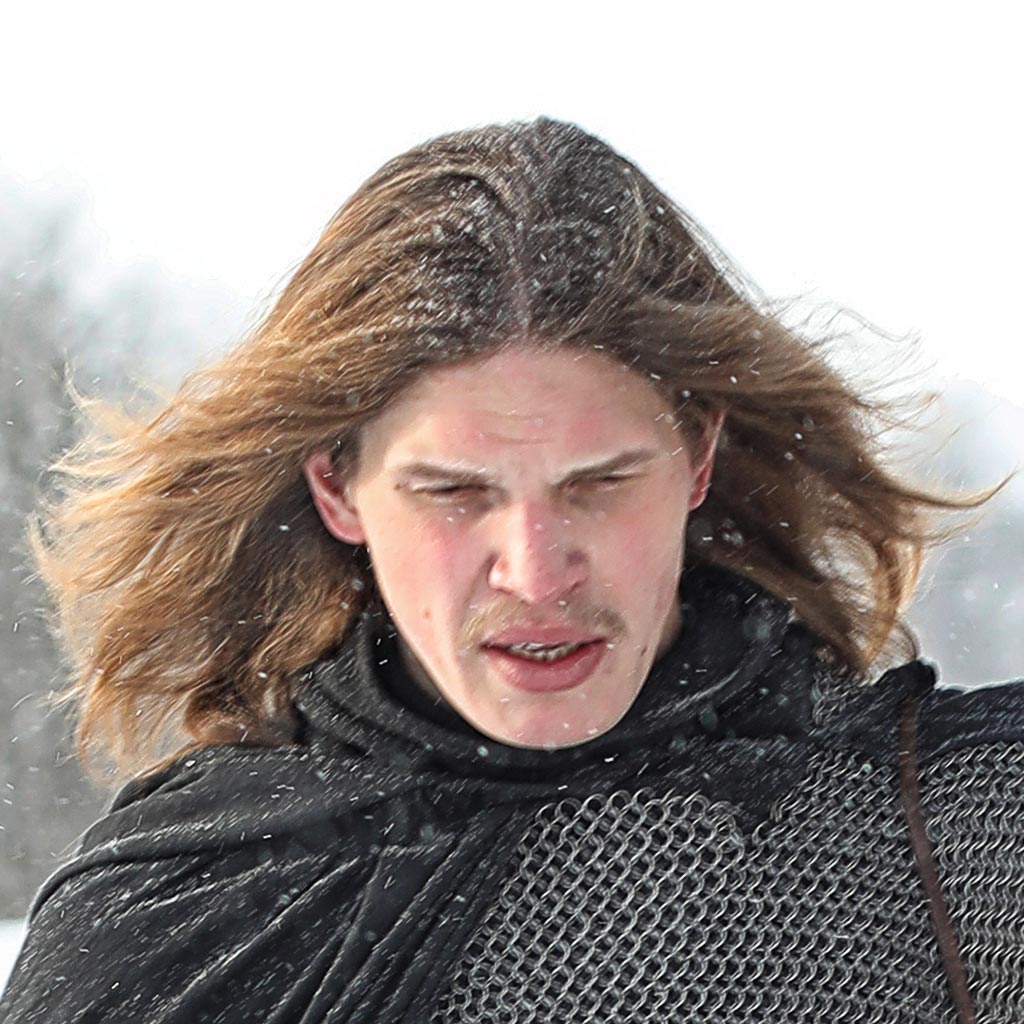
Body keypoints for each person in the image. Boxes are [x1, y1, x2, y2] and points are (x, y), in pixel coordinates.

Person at [1, 118, 1021, 1024]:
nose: (535, 571)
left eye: (598, 483)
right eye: (454, 493)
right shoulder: (176, 927)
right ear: (337, 487)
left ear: (697, 457)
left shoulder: (964, 834)